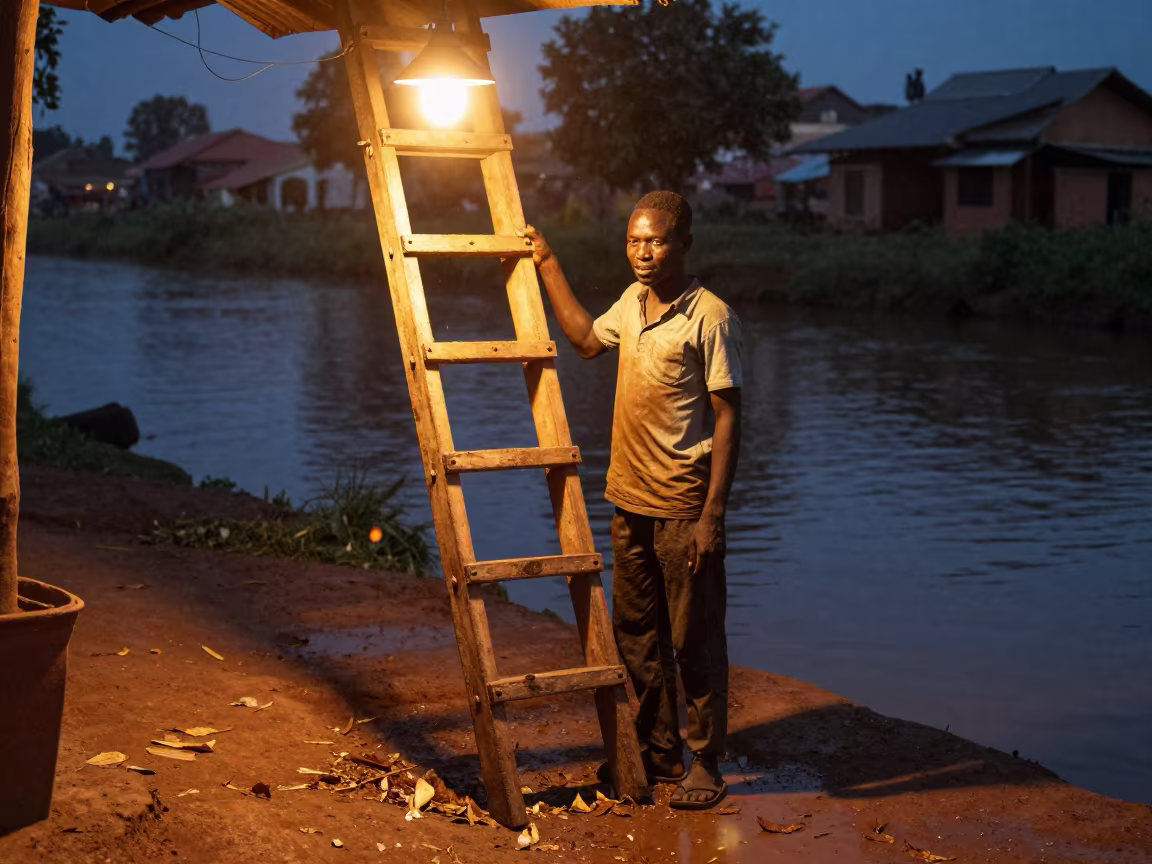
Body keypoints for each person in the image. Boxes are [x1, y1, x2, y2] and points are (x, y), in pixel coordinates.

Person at [521, 191, 742, 810]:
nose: (642, 252)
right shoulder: (632, 303)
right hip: (628, 500)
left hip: (683, 508)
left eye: (656, 241)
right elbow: (587, 342)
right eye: (633, 240)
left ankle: (707, 762)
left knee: (692, 637)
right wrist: (547, 263)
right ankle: (658, 755)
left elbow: (728, 420)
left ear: (683, 243)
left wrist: (712, 517)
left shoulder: (711, 318)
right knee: (636, 636)